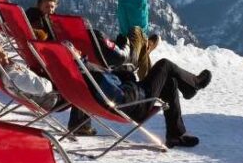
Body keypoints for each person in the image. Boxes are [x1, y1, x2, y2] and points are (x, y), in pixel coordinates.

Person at [77, 46, 211, 148]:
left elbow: (112, 83)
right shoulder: (90, 72)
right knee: (164, 65)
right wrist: (126, 77)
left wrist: (123, 73)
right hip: (134, 103)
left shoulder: (83, 73)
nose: (78, 51)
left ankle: (175, 134)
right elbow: (117, 94)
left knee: (169, 82)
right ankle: (193, 84)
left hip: (131, 98)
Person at [0, 41, 94, 136]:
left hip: (46, 94)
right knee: (83, 81)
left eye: (2, 51)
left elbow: (32, 82)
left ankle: (80, 63)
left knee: (76, 70)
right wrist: (51, 80)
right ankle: (80, 126)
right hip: (52, 98)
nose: (3, 54)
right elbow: (42, 87)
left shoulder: (11, 69)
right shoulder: (12, 76)